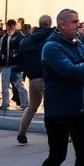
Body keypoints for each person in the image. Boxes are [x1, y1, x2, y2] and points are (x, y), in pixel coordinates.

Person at [37, 9, 84, 166]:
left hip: (80, 109)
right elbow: (71, 71)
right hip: (59, 111)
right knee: (57, 156)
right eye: (73, 22)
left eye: (78, 21)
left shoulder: (77, 43)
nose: (77, 25)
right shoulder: (52, 47)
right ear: (61, 24)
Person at [16, 14, 53, 144]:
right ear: (49, 24)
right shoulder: (52, 38)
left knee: (32, 106)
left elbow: (21, 58)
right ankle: (57, 135)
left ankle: (22, 133)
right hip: (47, 77)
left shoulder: (26, 40)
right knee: (52, 107)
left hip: (32, 77)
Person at [0, 19, 28, 111]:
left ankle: (25, 103)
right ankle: (5, 103)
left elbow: (23, 51)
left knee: (19, 84)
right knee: (5, 85)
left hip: (15, 65)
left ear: (12, 26)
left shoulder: (20, 37)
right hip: (6, 65)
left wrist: (20, 64)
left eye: (8, 26)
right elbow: (0, 49)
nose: (7, 28)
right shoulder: (4, 37)